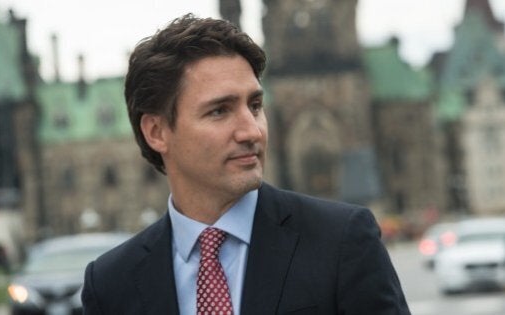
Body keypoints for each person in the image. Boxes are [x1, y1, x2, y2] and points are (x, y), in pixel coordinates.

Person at [81, 14, 411, 315]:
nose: (252, 131)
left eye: (254, 105)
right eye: (219, 111)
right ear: (157, 132)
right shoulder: (111, 283)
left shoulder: (342, 242)